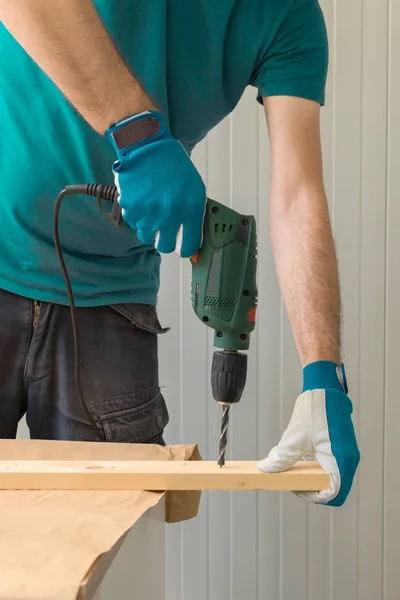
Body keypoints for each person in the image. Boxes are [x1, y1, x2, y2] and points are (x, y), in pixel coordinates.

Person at [0, 0, 359, 506]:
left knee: (113, 538)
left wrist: (324, 372)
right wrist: (139, 134)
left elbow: (297, 195)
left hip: (110, 293)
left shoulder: (288, 15)